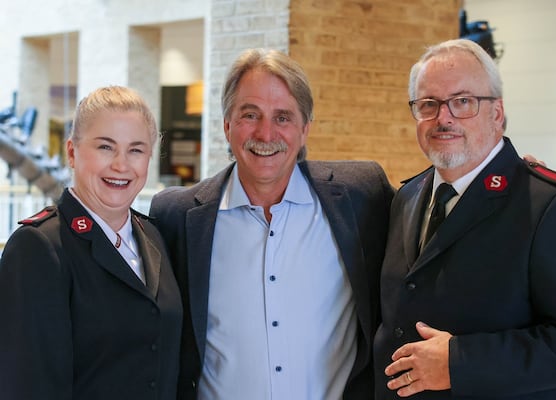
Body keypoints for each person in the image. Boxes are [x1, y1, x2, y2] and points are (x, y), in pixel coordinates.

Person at [149, 48, 395, 400]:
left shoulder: (363, 196)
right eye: (251, 114)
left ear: (305, 129)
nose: (266, 134)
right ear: (227, 125)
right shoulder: (176, 215)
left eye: (283, 117)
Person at [373, 38, 556, 399]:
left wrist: (462, 362)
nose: (443, 117)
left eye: (463, 101)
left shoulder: (552, 205)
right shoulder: (408, 196)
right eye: (428, 104)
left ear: (497, 112)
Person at [0, 86, 183, 400]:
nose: (121, 165)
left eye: (136, 150)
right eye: (105, 147)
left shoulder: (153, 236)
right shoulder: (38, 247)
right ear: (72, 152)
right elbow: (25, 386)